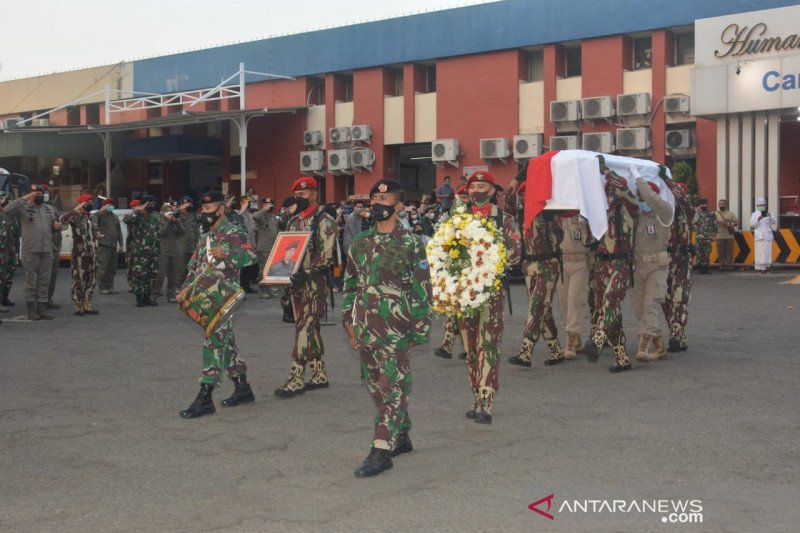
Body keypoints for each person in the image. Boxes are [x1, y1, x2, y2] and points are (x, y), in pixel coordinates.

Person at [342, 178, 432, 477]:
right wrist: (348, 322)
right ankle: (401, 432)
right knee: (373, 385)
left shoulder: (410, 243)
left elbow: (422, 288)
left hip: (396, 328)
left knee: (390, 386)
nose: (378, 205)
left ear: (399, 206)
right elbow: (351, 285)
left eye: (385, 200)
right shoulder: (359, 242)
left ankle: (381, 448)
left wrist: (419, 329)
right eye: (375, 201)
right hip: (366, 326)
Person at [177, 190, 258, 419]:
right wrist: (185, 288)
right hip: (206, 298)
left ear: (221, 209)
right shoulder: (205, 237)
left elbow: (251, 256)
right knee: (226, 342)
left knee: (213, 340)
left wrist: (228, 253)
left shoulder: (234, 231)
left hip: (224, 298)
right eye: (202, 210)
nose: (205, 213)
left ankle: (205, 396)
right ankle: (242, 387)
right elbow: (195, 266)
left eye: (209, 209)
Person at [456, 170, 521, 424]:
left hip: (491, 291)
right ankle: (476, 396)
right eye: (473, 187)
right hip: (463, 292)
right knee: (470, 348)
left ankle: (487, 400)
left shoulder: (504, 220)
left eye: (482, 186)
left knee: (488, 345)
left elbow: (515, 255)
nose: (476, 191)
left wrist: (489, 259)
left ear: (493, 191)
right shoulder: (458, 220)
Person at [274, 176, 336, 398]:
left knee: (304, 326)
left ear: (314, 194)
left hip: (314, 281)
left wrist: (306, 273)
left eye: (303, 194)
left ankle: (296, 376)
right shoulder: (293, 221)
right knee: (309, 326)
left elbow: (326, 256)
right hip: (295, 282)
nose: (298, 198)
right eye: (296, 195)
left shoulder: (324, 220)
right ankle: (319, 374)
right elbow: (285, 251)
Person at [583, 157, 639, 373]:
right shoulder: (598, 212)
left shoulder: (630, 206)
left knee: (610, 300)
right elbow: (589, 240)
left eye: (612, 192)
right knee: (609, 308)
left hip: (622, 262)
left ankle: (597, 340)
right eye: (607, 192)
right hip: (601, 264)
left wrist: (605, 171)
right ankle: (621, 357)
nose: (611, 195)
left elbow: (623, 186)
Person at [505, 173, 565, 367]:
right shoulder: (522, 215)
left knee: (536, 306)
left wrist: (548, 214)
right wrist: (520, 174)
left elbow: (558, 238)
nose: (524, 198)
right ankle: (556, 349)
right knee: (543, 309)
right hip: (530, 266)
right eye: (522, 195)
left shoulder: (551, 213)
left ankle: (526, 351)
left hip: (548, 264)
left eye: (528, 194)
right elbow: (508, 197)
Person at [2, 184, 62, 320]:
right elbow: (6, 209)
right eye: (36, 194)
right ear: (30, 195)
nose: (39, 196)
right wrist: (25, 198)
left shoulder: (48, 209)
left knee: (44, 282)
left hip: (47, 249)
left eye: (40, 194)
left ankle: (42, 309)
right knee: (31, 282)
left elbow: (54, 225)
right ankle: (31, 310)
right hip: (31, 251)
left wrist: (57, 227)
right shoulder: (23, 208)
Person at [631, 172, 673, 363]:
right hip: (639, 267)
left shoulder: (665, 212)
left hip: (657, 266)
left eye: (644, 197)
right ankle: (660, 348)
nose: (642, 201)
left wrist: (637, 177)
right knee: (640, 309)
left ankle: (643, 347)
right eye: (639, 198)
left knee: (650, 307)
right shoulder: (637, 216)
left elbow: (651, 197)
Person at [662, 179, 695, 353]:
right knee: (665, 297)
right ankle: (677, 333)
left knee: (680, 296)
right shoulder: (663, 212)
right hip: (665, 258)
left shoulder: (686, 212)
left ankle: (677, 331)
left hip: (681, 258)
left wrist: (669, 183)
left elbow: (685, 202)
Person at [60, 194, 102, 315]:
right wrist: (75, 210)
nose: (91, 204)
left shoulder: (92, 217)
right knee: (79, 278)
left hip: (92, 251)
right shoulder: (75, 216)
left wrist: (98, 235)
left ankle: (87, 304)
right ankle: (78, 305)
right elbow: (63, 220)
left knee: (91, 278)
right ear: (82, 204)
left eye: (91, 202)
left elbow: (94, 231)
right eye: (88, 202)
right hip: (79, 252)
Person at [123, 195, 161, 307]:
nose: (152, 206)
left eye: (154, 204)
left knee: (152, 275)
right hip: (141, 252)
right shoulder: (135, 216)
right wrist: (139, 209)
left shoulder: (156, 216)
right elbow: (127, 220)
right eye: (149, 204)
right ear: (143, 205)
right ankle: (139, 298)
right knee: (140, 274)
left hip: (154, 251)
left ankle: (147, 297)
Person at [155, 203, 186, 303]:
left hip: (175, 250)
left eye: (171, 212)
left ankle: (171, 294)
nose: (170, 214)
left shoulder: (175, 221)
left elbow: (182, 232)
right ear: (163, 212)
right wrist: (168, 222)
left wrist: (177, 222)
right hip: (163, 250)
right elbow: (162, 233)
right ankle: (155, 293)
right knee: (160, 274)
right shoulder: (159, 220)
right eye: (168, 212)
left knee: (173, 275)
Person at [93, 198, 124, 294]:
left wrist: (121, 244)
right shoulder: (100, 215)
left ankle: (110, 287)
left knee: (112, 268)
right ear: (105, 205)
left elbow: (118, 231)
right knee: (103, 267)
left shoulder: (114, 216)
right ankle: (102, 287)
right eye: (109, 205)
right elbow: (93, 219)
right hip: (104, 245)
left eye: (112, 205)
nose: (112, 207)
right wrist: (101, 210)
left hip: (113, 245)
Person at [252, 197, 279, 298]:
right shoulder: (261, 216)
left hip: (273, 247)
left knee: (271, 270)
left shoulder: (273, 217)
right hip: (263, 247)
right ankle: (263, 290)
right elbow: (254, 216)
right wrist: (264, 209)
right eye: (267, 204)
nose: (270, 206)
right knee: (263, 270)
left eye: (271, 204)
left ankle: (270, 289)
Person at [42, 184, 62, 310]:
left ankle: (48, 298)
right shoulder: (32, 208)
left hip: (54, 246)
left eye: (45, 192)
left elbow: (57, 226)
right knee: (42, 275)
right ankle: (40, 300)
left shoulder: (52, 209)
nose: (45, 194)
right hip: (42, 246)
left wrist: (58, 244)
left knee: (53, 274)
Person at [177, 196, 199, 286]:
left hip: (193, 247)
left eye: (189, 204)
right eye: (185, 204)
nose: (187, 206)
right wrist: (180, 208)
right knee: (181, 269)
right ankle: (178, 287)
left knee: (193, 269)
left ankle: (189, 287)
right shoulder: (177, 216)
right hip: (181, 247)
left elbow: (197, 231)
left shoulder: (195, 216)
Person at [750, 198, 777, 273]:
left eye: (763, 205)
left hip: (767, 235)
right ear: (757, 205)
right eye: (760, 205)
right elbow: (752, 225)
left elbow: (774, 222)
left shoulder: (769, 213)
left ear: (765, 205)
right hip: (759, 235)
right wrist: (758, 219)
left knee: (766, 252)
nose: (761, 206)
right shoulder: (754, 214)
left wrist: (770, 216)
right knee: (759, 251)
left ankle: (765, 267)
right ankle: (758, 267)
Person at [693, 199, 717, 274]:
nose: (704, 205)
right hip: (699, 236)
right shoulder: (697, 214)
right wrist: (698, 208)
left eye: (705, 204)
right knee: (699, 252)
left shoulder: (711, 214)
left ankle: (706, 268)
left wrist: (714, 234)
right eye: (702, 204)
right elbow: (692, 218)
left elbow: (715, 225)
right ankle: (700, 268)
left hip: (708, 236)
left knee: (707, 252)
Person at [715, 199, 738, 272]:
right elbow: (712, 223)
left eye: (723, 204)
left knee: (729, 253)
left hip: (729, 236)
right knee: (720, 253)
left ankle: (729, 266)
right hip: (719, 236)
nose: (721, 205)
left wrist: (732, 225)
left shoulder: (730, 214)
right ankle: (721, 266)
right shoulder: (715, 213)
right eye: (720, 204)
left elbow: (736, 222)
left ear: (726, 205)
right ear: (718, 205)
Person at [125, 199, 140, 292]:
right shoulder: (129, 216)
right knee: (131, 264)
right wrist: (135, 213)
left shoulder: (143, 215)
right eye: (137, 206)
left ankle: (140, 284)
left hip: (141, 243)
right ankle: (131, 284)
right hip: (132, 243)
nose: (138, 207)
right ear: (133, 207)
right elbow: (128, 221)